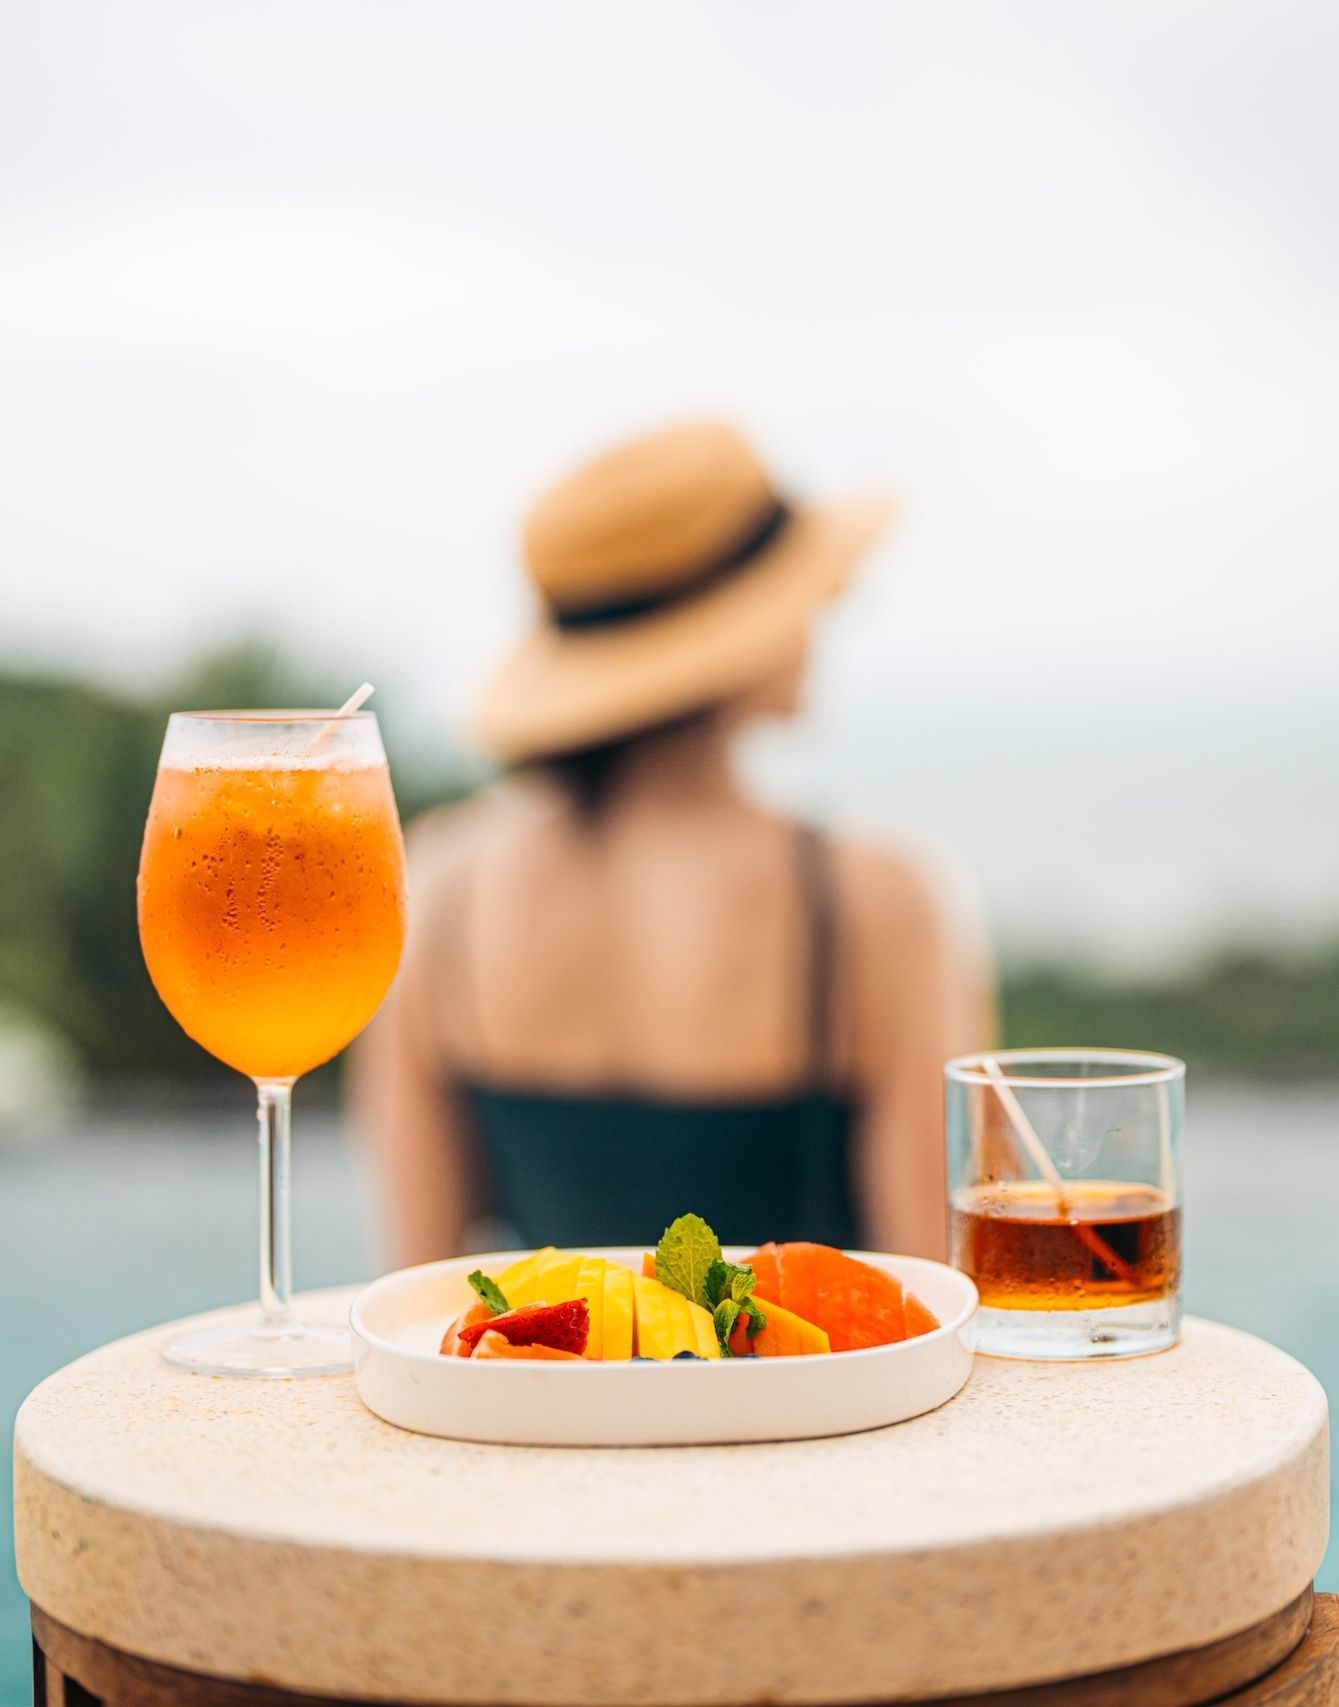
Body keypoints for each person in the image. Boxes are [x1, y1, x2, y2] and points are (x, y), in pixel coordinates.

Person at [352, 419, 992, 1265]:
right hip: (811, 1402)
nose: (827, 610)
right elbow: (941, 1289)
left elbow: (418, 1287)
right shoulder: (878, 899)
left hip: (540, 1398)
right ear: (735, 636)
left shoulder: (440, 881)